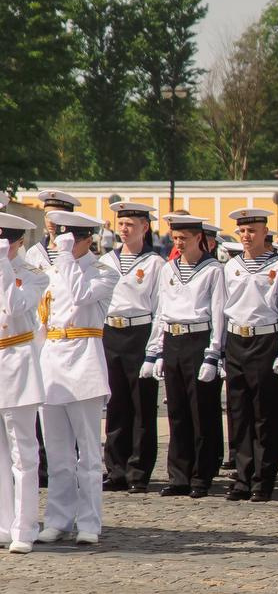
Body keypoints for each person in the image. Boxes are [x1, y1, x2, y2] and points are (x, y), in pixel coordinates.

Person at [35, 211, 116, 545]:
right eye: (59, 239)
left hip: (84, 360)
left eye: (69, 239)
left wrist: (67, 257)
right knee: (57, 452)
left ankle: (89, 522)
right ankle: (57, 518)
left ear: (86, 239)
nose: (61, 245)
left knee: (88, 454)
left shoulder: (104, 271)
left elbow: (81, 295)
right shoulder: (55, 270)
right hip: (52, 360)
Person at [219, 207, 278, 502]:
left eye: (252, 231)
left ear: (265, 232)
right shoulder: (232, 266)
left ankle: (263, 479)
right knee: (238, 412)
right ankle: (242, 476)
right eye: (242, 231)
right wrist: (222, 348)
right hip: (237, 340)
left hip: (264, 341)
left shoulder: (277, 267)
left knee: (265, 414)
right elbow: (224, 308)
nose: (247, 236)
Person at [147, 215, 227, 497]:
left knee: (201, 411)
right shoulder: (168, 268)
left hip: (198, 338)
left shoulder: (213, 270)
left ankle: (201, 476)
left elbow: (218, 313)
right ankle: (178, 475)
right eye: (175, 238)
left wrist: (214, 352)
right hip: (173, 338)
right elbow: (161, 310)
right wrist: (155, 350)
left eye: (184, 238)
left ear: (198, 239)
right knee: (177, 411)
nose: (178, 243)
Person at [101, 201, 167, 493]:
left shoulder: (155, 264)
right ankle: (115, 469)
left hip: (139, 333)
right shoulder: (106, 261)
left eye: (130, 224)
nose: (124, 229)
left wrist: (155, 348)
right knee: (115, 405)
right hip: (111, 333)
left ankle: (138, 471)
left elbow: (159, 308)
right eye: (121, 223)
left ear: (145, 227)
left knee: (141, 406)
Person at [0, 214, 47, 553]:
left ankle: (24, 526)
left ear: (15, 243)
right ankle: (3, 523)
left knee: (23, 454)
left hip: (17, 363)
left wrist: (4, 266)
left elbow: (14, 307)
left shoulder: (32, 275)